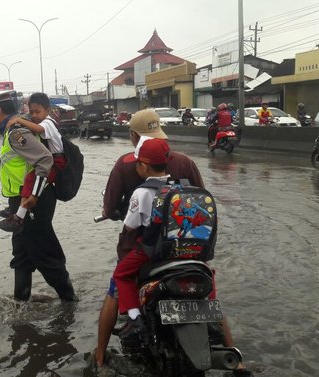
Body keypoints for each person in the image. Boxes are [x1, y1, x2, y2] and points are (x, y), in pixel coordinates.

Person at [95, 109, 244, 372]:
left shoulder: (127, 164)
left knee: (116, 288)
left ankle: (99, 355)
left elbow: (111, 210)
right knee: (208, 296)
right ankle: (238, 360)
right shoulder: (184, 162)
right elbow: (200, 197)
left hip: (145, 251)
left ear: (132, 135)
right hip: (188, 250)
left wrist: (111, 213)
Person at [0, 89, 77, 302]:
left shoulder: (16, 132)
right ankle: (20, 303)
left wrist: (34, 195)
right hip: (19, 201)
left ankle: (70, 301)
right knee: (22, 255)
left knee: (45, 252)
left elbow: (44, 160)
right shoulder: (11, 130)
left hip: (34, 200)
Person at [112, 137, 173, 339]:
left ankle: (135, 317)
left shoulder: (142, 192)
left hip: (152, 250)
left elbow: (130, 226)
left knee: (121, 274)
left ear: (144, 166)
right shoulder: (179, 186)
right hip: (178, 250)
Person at [0, 92, 66, 233]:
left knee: (30, 181)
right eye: (31, 112)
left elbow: (40, 134)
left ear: (48, 111)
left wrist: (19, 121)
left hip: (57, 161)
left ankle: (19, 216)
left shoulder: (48, 123)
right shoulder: (39, 122)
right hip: (53, 159)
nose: (34, 116)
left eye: (38, 112)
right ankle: (15, 208)